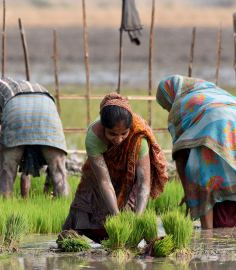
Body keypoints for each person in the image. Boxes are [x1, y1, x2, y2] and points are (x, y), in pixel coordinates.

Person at [156, 75, 236, 229]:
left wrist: (189, 193)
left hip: (213, 128)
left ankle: (208, 236)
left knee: (204, 178)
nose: (168, 108)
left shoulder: (179, 106)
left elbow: (180, 155)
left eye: (166, 105)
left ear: (169, 96)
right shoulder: (216, 92)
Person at [62, 93, 168, 243]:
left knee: (131, 212)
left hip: (129, 176)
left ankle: (126, 241)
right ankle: (70, 240)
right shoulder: (94, 137)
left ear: (130, 129)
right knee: (86, 203)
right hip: (102, 173)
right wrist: (116, 218)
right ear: (104, 127)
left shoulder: (138, 136)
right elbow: (104, 181)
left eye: (124, 134)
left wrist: (139, 218)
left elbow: (144, 182)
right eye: (112, 134)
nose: (118, 140)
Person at [0, 77, 70, 198]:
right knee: (59, 173)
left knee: (7, 174)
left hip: (16, 109)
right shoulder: (35, 86)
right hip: (47, 109)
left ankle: (5, 214)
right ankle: (65, 213)